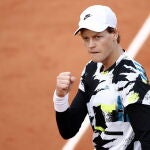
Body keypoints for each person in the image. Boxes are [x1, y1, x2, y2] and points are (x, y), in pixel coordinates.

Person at [53, 5, 150, 150]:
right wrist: (60, 97)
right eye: (86, 38)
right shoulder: (91, 69)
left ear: (114, 34)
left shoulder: (131, 77)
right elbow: (68, 129)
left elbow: (147, 138)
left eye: (97, 37)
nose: (91, 45)